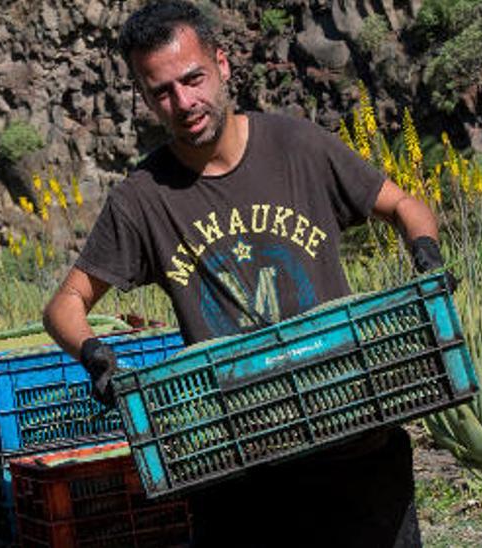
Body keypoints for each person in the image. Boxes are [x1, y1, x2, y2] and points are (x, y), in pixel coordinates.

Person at [42, 1, 446, 546]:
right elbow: (64, 304)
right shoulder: (143, 199)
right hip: (239, 455)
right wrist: (96, 358)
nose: (183, 103)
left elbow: (406, 206)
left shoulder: (297, 146)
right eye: (162, 91)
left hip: (350, 435)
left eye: (193, 79)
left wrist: (426, 260)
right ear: (144, 97)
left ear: (223, 65)